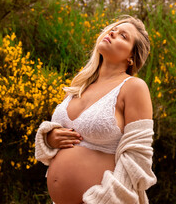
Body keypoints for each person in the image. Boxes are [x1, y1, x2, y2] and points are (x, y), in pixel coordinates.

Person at [35, 15, 157, 204]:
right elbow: (58, 141)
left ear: (131, 57)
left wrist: (104, 198)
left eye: (123, 36)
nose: (113, 33)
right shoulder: (80, 86)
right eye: (113, 30)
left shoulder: (134, 87)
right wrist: (49, 138)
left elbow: (137, 159)